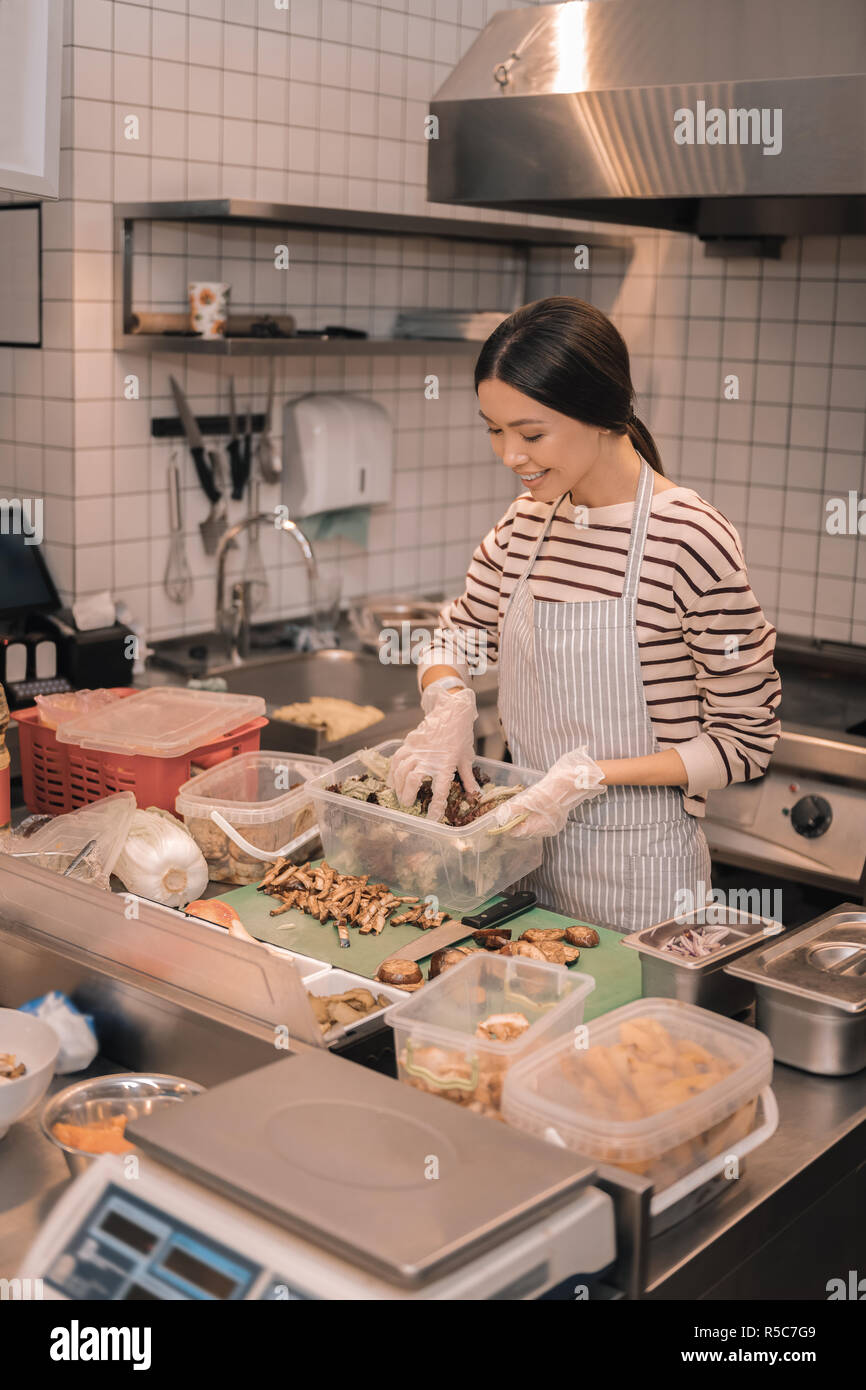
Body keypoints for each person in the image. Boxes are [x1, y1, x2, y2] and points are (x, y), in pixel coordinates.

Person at [389, 297, 781, 932]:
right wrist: (450, 705)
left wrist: (587, 777)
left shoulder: (689, 538)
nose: (510, 455)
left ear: (601, 414)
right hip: (522, 861)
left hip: (644, 883)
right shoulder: (525, 524)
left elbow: (745, 744)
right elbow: (453, 638)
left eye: (531, 433)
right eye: (494, 429)